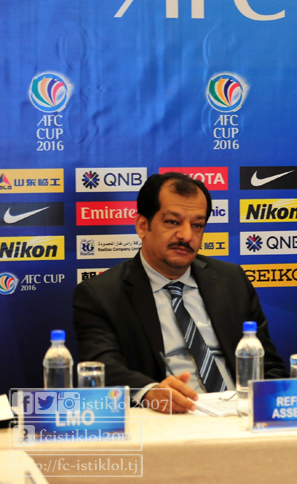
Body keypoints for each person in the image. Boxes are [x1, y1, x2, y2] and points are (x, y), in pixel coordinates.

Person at [73, 173, 286, 413]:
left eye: (197, 225)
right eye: (173, 222)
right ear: (143, 226)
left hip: (240, 414)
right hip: (168, 417)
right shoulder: (100, 294)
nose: (186, 236)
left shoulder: (231, 280)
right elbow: (102, 368)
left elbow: (268, 365)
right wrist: (149, 391)